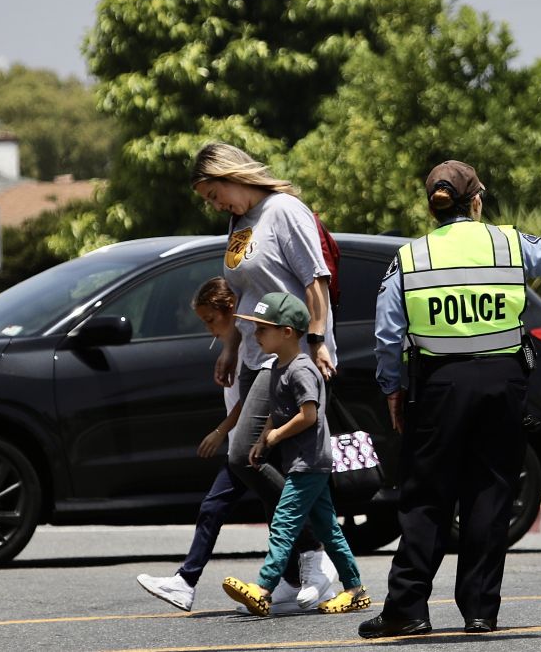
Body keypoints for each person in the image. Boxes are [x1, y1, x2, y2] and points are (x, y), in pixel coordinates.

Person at [358, 156, 541, 638]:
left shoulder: (410, 257)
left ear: (434, 208)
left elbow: (387, 334)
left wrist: (392, 387)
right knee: (491, 492)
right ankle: (480, 611)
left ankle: (407, 608)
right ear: (476, 202)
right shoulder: (507, 243)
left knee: (426, 497)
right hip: (502, 384)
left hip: (437, 388)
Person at [191, 142, 340, 609]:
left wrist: (316, 340)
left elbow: (315, 279)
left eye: (215, 193)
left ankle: (315, 564)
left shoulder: (284, 210)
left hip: (298, 356)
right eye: (210, 200)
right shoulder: (239, 223)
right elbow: (243, 293)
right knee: (243, 455)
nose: (216, 205)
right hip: (259, 358)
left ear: (232, 175)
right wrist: (232, 347)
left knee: (300, 464)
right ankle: (309, 557)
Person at [136, 278, 336, 613]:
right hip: (246, 444)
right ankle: (292, 579)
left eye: (211, 320)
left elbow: (255, 404)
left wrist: (222, 430)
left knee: (223, 506)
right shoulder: (244, 345)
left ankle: (311, 555)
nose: (208, 328)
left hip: (252, 444)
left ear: (231, 310)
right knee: (269, 511)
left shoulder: (264, 352)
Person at [221, 292, 370, 616]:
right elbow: (278, 409)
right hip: (301, 461)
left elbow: (309, 415)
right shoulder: (279, 366)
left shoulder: (302, 369)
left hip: (310, 462)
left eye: (263, 329)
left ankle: (263, 588)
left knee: (284, 523)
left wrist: (275, 435)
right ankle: (355, 589)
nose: (256, 335)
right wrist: (263, 439)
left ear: (287, 332)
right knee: (328, 528)